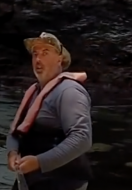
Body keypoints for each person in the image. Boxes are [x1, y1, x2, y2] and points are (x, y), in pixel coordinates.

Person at [6, 32, 93, 190]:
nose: (38, 59)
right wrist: (12, 152)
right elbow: (16, 130)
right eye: (35, 54)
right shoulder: (33, 91)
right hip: (32, 180)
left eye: (45, 53)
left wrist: (39, 162)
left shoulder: (69, 92)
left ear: (60, 59)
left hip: (63, 182)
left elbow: (82, 139)